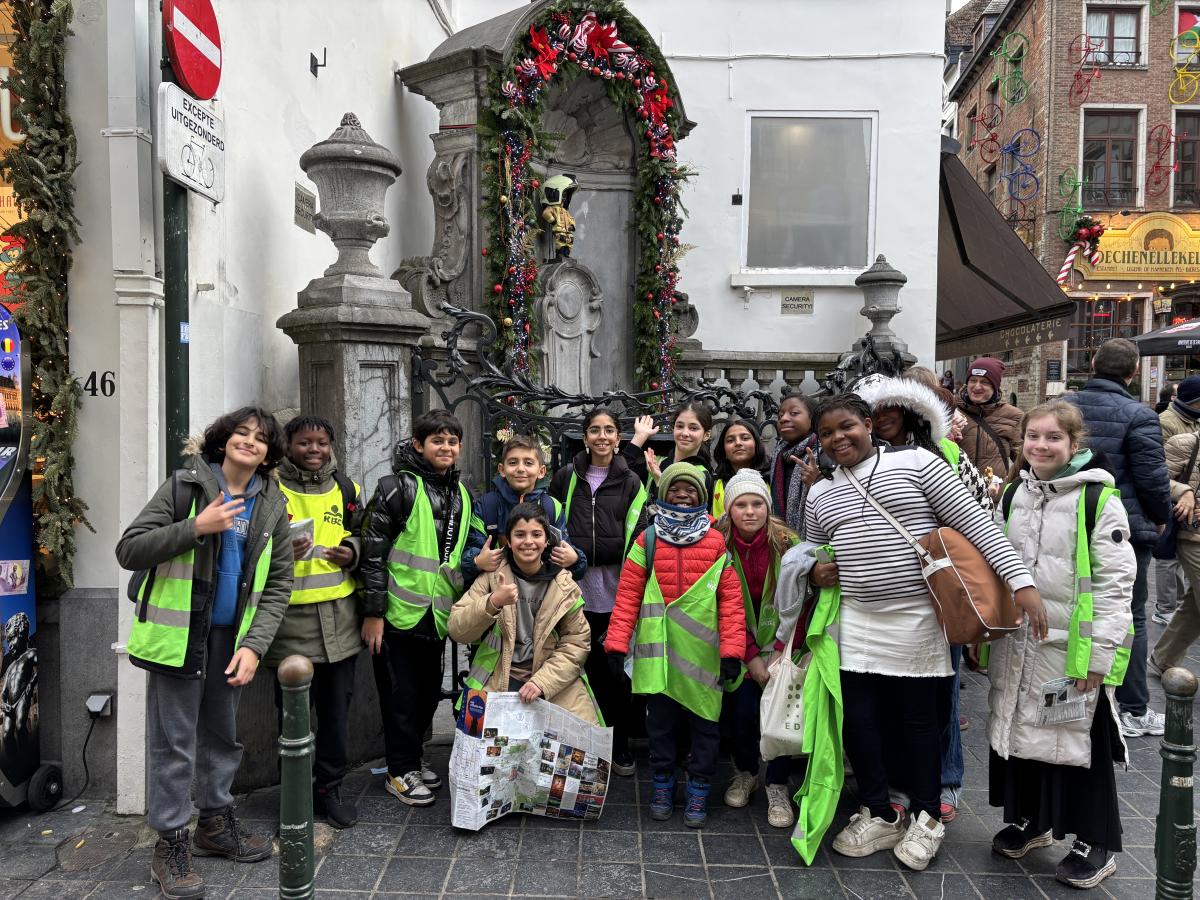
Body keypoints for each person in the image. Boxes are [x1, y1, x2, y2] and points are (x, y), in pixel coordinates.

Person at [804, 394, 1038, 872]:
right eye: (826, 433)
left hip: (917, 617)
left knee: (919, 722)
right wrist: (812, 573)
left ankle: (928, 816)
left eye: (846, 426)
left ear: (868, 424)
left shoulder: (918, 463)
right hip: (855, 620)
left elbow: (977, 525)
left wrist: (1021, 583)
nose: (837, 439)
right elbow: (811, 553)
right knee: (859, 721)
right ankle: (879, 811)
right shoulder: (819, 493)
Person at [115, 407, 293, 900]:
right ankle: (170, 842)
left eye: (261, 438)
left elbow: (280, 583)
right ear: (222, 440)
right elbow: (129, 549)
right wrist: (197, 526)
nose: (250, 441)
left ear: (269, 453)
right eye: (242, 433)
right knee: (174, 743)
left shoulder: (272, 503)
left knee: (222, 736)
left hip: (231, 641)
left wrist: (255, 647)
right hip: (179, 637)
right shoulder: (185, 487)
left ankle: (214, 824)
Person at [991, 401, 1133, 890]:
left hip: (1072, 648)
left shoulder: (1097, 501)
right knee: (1025, 732)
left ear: (1075, 444)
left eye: (1053, 438)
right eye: (1033, 436)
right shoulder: (1016, 493)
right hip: (1020, 642)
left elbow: (1116, 586)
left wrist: (1099, 658)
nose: (1041, 446)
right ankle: (1034, 819)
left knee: (1077, 740)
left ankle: (1097, 840)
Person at [854, 374, 990, 825]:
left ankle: (945, 780)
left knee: (941, 694)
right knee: (894, 698)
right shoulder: (856, 462)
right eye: (873, 411)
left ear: (910, 410)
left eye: (890, 407)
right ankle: (900, 781)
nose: (882, 417)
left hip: (942, 592)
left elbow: (979, 519)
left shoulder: (943, 456)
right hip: (886, 599)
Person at [604, 463, 745, 828]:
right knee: (661, 728)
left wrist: (732, 652)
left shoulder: (716, 543)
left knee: (705, 729)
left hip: (703, 660)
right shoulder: (647, 541)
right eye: (675, 488)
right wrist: (616, 644)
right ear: (663, 493)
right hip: (660, 660)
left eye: (691, 489)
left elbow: (731, 602)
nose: (683, 494)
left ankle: (699, 788)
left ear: (702, 497)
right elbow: (628, 595)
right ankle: (663, 785)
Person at [360, 409, 475, 807]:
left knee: (426, 694)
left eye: (452, 441)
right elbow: (372, 555)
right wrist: (373, 613)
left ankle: (412, 757)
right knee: (399, 697)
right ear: (418, 445)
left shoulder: (461, 493)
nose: (446, 447)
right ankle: (399, 770)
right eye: (437, 440)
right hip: (396, 615)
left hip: (436, 615)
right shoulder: (395, 488)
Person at [1065, 338, 1171, 739]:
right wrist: (1159, 518)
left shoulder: (1066, 406)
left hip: (1071, 519)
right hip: (1122, 527)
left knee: (1074, 606)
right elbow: (1152, 477)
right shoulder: (1139, 414)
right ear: (1134, 371)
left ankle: (1075, 694)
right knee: (1130, 614)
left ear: (1093, 362)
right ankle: (1133, 707)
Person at [265, 415, 363, 829]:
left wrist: (353, 551)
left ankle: (330, 788)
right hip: (289, 622)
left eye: (322, 443)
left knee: (336, 715)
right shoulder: (270, 489)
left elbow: (367, 534)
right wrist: (280, 549)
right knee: (293, 719)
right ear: (287, 445)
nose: (314, 450)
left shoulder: (347, 488)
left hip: (340, 621)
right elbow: (249, 544)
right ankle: (295, 794)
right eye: (305, 442)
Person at [549, 408, 648, 775]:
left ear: (618, 438)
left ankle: (618, 745)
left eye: (609, 430)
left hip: (617, 594)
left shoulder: (631, 481)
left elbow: (638, 537)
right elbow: (552, 527)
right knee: (580, 670)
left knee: (616, 675)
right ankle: (585, 744)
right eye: (595, 430)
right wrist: (570, 557)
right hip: (574, 594)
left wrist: (585, 554)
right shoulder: (566, 477)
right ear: (585, 437)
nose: (602, 437)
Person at [449, 502, 598, 721]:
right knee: (477, 738)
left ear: (546, 541)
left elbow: (577, 643)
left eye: (536, 534)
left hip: (551, 677)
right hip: (497, 675)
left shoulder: (564, 585)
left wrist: (542, 682)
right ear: (508, 541)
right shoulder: (491, 577)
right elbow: (457, 629)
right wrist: (493, 602)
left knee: (584, 737)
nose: (528, 541)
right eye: (520, 535)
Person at [713, 468, 799, 828]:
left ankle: (777, 784)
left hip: (784, 643)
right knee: (743, 714)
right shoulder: (718, 544)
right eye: (741, 505)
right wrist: (750, 656)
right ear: (729, 510)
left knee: (780, 718)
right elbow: (718, 603)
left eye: (757, 504)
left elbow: (801, 601)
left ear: (767, 506)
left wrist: (778, 650)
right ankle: (746, 772)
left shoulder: (787, 543)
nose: (750, 512)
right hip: (739, 643)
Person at [461, 434, 586, 584]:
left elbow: (565, 549)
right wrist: (476, 561)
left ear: (541, 471)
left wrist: (575, 559)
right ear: (501, 469)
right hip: (497, 587)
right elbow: (471, 550)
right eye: (513, 462)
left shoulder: (551, 507)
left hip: (540, 588)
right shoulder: (488, 505)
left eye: (528, 463)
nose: (520, 469)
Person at [1150, 428, 1200, 675]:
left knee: (1193, 606)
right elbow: (1155, 480)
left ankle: (1163, 659)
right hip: (1192, 536)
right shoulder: (1186, 443)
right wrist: (1184, 492)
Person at [1154, 376, 1200, 626]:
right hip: (1174, 501)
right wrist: (1181, 491)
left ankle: (1179, 606)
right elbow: (1160, 468)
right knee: (1167, 557)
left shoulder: (1194, 420)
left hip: (1194, 505)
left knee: (1179, 559)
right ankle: (1165, 607)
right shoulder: (1166, 422)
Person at [621, 401, 717, 509]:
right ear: (673, 429)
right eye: (680, 426)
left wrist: (659, 482)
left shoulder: (702, 474)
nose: (685, 433)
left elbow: (682, 514)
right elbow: (621, 475)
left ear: (706, 435)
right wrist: (639, 437)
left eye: (693, 428)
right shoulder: (657, 462)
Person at [956, 356, 1023, 485]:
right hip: (956, 492)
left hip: (995, 493)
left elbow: (1023, 460)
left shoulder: (1014, 416)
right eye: (973, 380)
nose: (977, 386)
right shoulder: (951, 410)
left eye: (985, 382)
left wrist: (1010, 486)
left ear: (995, 386)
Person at [767, 390, 819, 533]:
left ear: (813, 419)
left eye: (794, 413)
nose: (783, 419)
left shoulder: (823, 454)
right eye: (780, 415)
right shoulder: (779, 455)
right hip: (784, 537)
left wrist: (817, 483)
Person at [711, 417, 770, 517]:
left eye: (745, 438)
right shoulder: (715, 484)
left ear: (756, 445)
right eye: (730, 440)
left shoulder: (772, 479)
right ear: (723, 450)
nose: (738, 443)